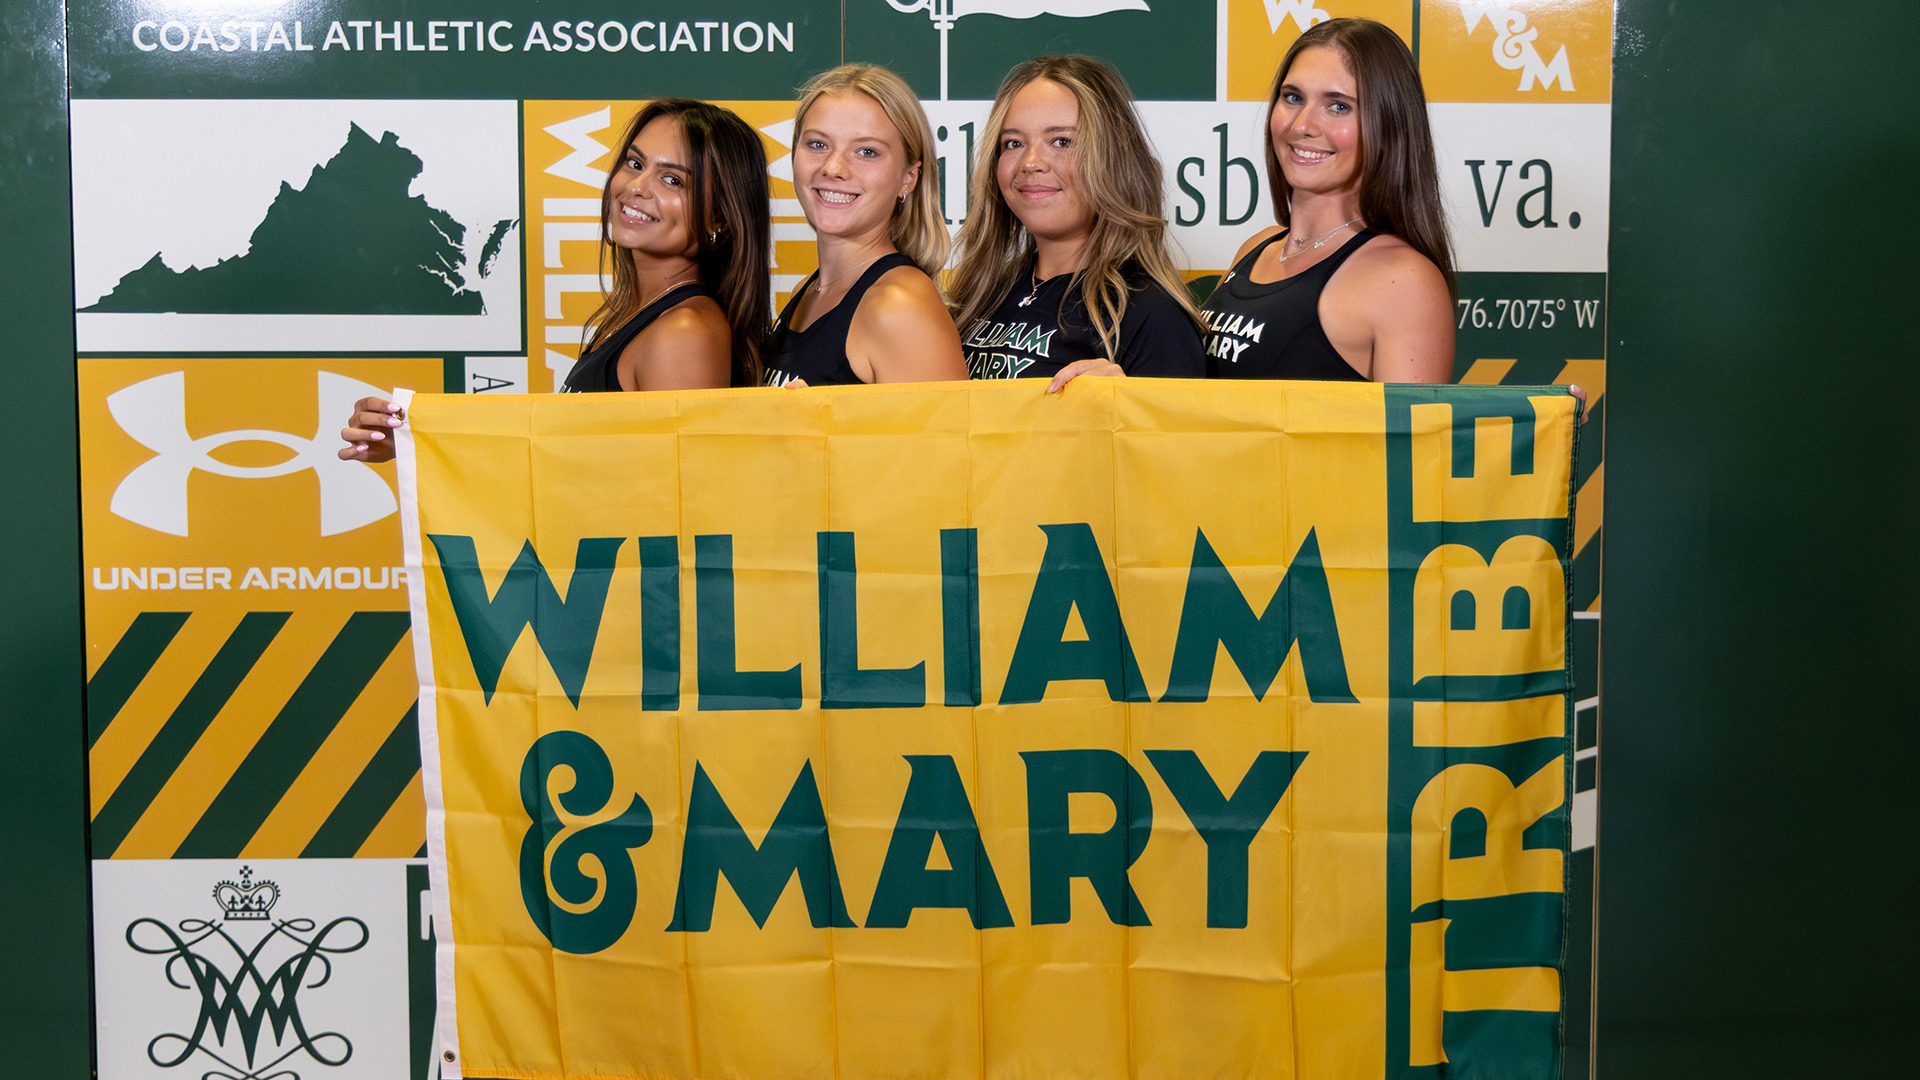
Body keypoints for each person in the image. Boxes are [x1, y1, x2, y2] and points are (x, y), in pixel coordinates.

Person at [339, 98, 772, 460]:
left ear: (720, 216)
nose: (636, 186)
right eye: (635, 162)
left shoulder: (684, 332)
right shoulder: (640, 316)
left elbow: (671, 514)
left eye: (672, 178)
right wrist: (419, 442)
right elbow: (573, 467)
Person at [1200, 18, 1453, 383]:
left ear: (1389, 127)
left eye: (1338, 106)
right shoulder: (1256, 248)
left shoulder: (1405, 281)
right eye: (1293, 98)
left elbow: (1410, 440)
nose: (1301, 124)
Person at [946, 54, 1205, 392]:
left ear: (1113, 159)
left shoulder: (1153, 314)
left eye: (1062, 142)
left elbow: (1181, 443)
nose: (1030, 162)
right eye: (1013, 143)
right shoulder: (980, 290)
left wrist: (1128, 407)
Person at [763, 64, 968, 387]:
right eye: (817, 144)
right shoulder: (809, 292)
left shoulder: (899, 307)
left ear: (909, 177)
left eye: (867, 152)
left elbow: (946, 439)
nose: (833, 167)